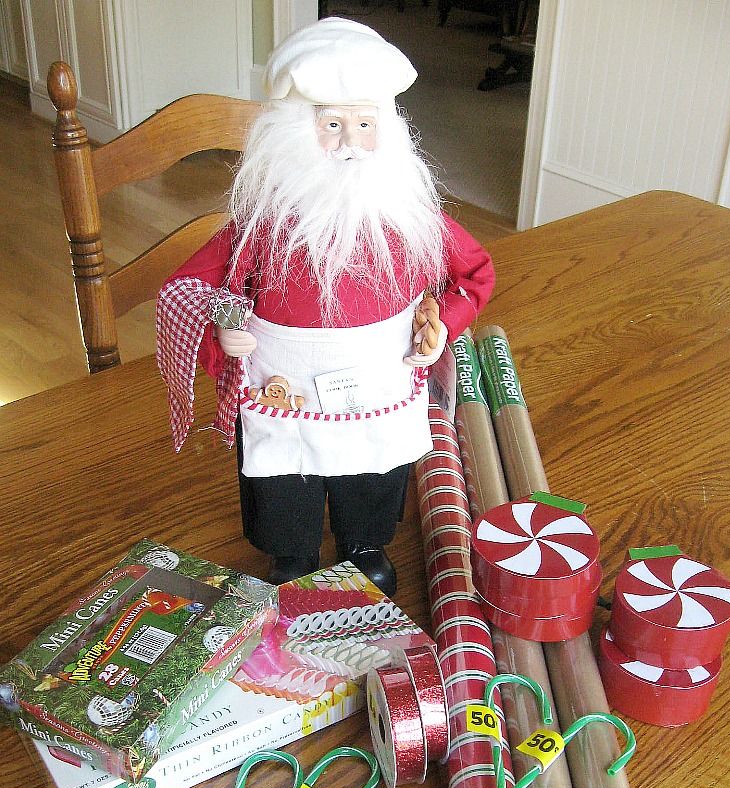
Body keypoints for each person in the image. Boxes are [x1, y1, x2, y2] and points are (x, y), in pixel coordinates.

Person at [156, 17, 495, 595]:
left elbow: (474, 274)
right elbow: (187, 290)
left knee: (374, 473)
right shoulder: (261, 228)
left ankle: (365, 547)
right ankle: (291, 555)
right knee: (286, 480)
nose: (349, 145)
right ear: (292, 134)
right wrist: (223, 330)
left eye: (365, 124)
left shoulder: (410, 220)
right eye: (331, 126)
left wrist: (443, 323)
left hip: (379, 385)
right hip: (281, 386)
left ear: (388, 132)